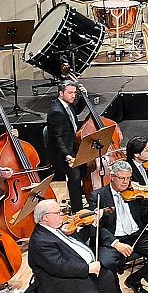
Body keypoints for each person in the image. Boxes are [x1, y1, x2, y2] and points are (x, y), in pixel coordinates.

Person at [27, 198, 129, 293]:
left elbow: (79, 245)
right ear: (46, 217)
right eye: (58, 212)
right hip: (57, 283)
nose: (62, 214)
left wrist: (92, 226)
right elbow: (59, 266)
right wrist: (87, 268)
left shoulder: (58, 228)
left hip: (76, 272)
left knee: (106, 276)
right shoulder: (41, 241)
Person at [88, 161, 148, 293]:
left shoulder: (134, 193)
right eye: (122, 178)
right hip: (113, 240)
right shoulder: (97, 196)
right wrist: (116, 243)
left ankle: (135, 279)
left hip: (136, 236)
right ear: (112, 177)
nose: (126, 182)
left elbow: (145, 219)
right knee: (107, 264)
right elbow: (97, 226)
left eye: (128, 178)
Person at [45, 80, 86, 209]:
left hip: (72, 144)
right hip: (61, 153)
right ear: (61, 93)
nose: (73, 96)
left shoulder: (68, 104)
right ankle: (77, 208)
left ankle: (82, 196)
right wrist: (67, 155)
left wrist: (84, 97)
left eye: (75, 93)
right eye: (70, 93)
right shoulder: (56, 112)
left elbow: (77, 110)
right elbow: (57, 138)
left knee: (84, 169)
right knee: (75, 176)